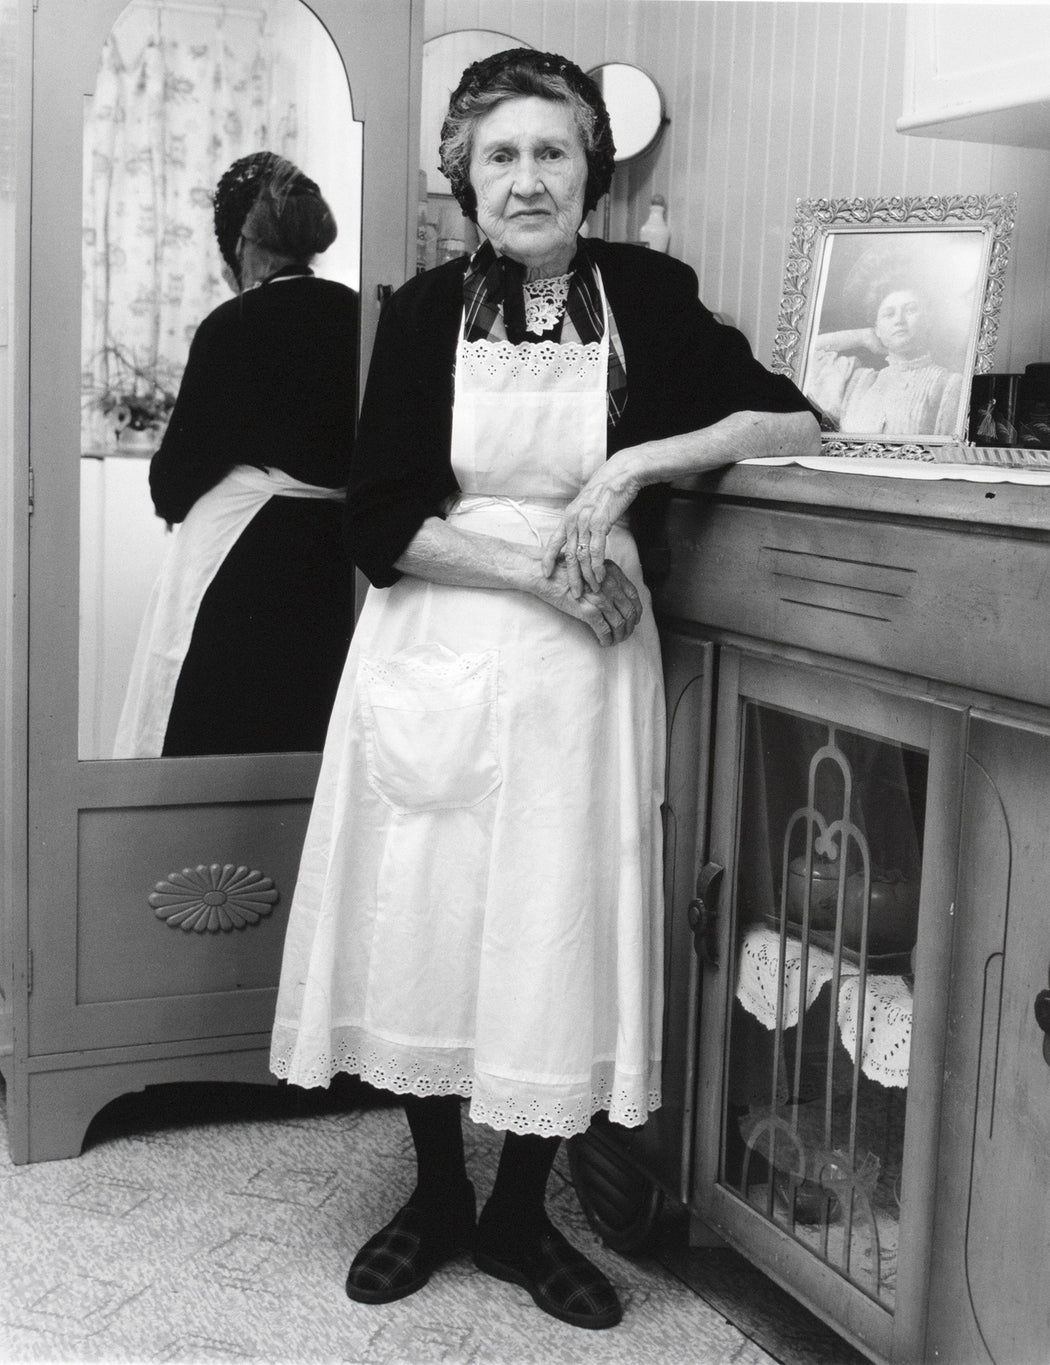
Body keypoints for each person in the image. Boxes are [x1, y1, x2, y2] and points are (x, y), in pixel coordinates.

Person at [269, 50, 819, 1330]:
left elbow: (789, 420)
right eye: (500, 155)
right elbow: (383, 520)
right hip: (446, 638)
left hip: (583, 666)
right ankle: (433, 1196)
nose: (527, 179)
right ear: (465, 175)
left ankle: (520, 1213)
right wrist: (536, 572)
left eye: (552, 152)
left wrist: (631, 472)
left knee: (550, 918)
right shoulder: (419, 313)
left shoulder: (647, 295)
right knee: (427, 910)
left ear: (592, 173)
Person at [113, 152, 359, 758]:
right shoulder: (363, 314)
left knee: (219, 735)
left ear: (243, 240)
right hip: (336, 563)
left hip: (243, 565)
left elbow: (175, 478)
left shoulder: (235, 322)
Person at [806, 275, 963, 437]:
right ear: (878, 329)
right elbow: (803, 355)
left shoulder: (949, 385)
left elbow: (950, 450)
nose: (899, 320)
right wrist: (862, 336)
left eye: (910, 310)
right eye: (889, 314)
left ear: (928, 320)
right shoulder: (859, 382)